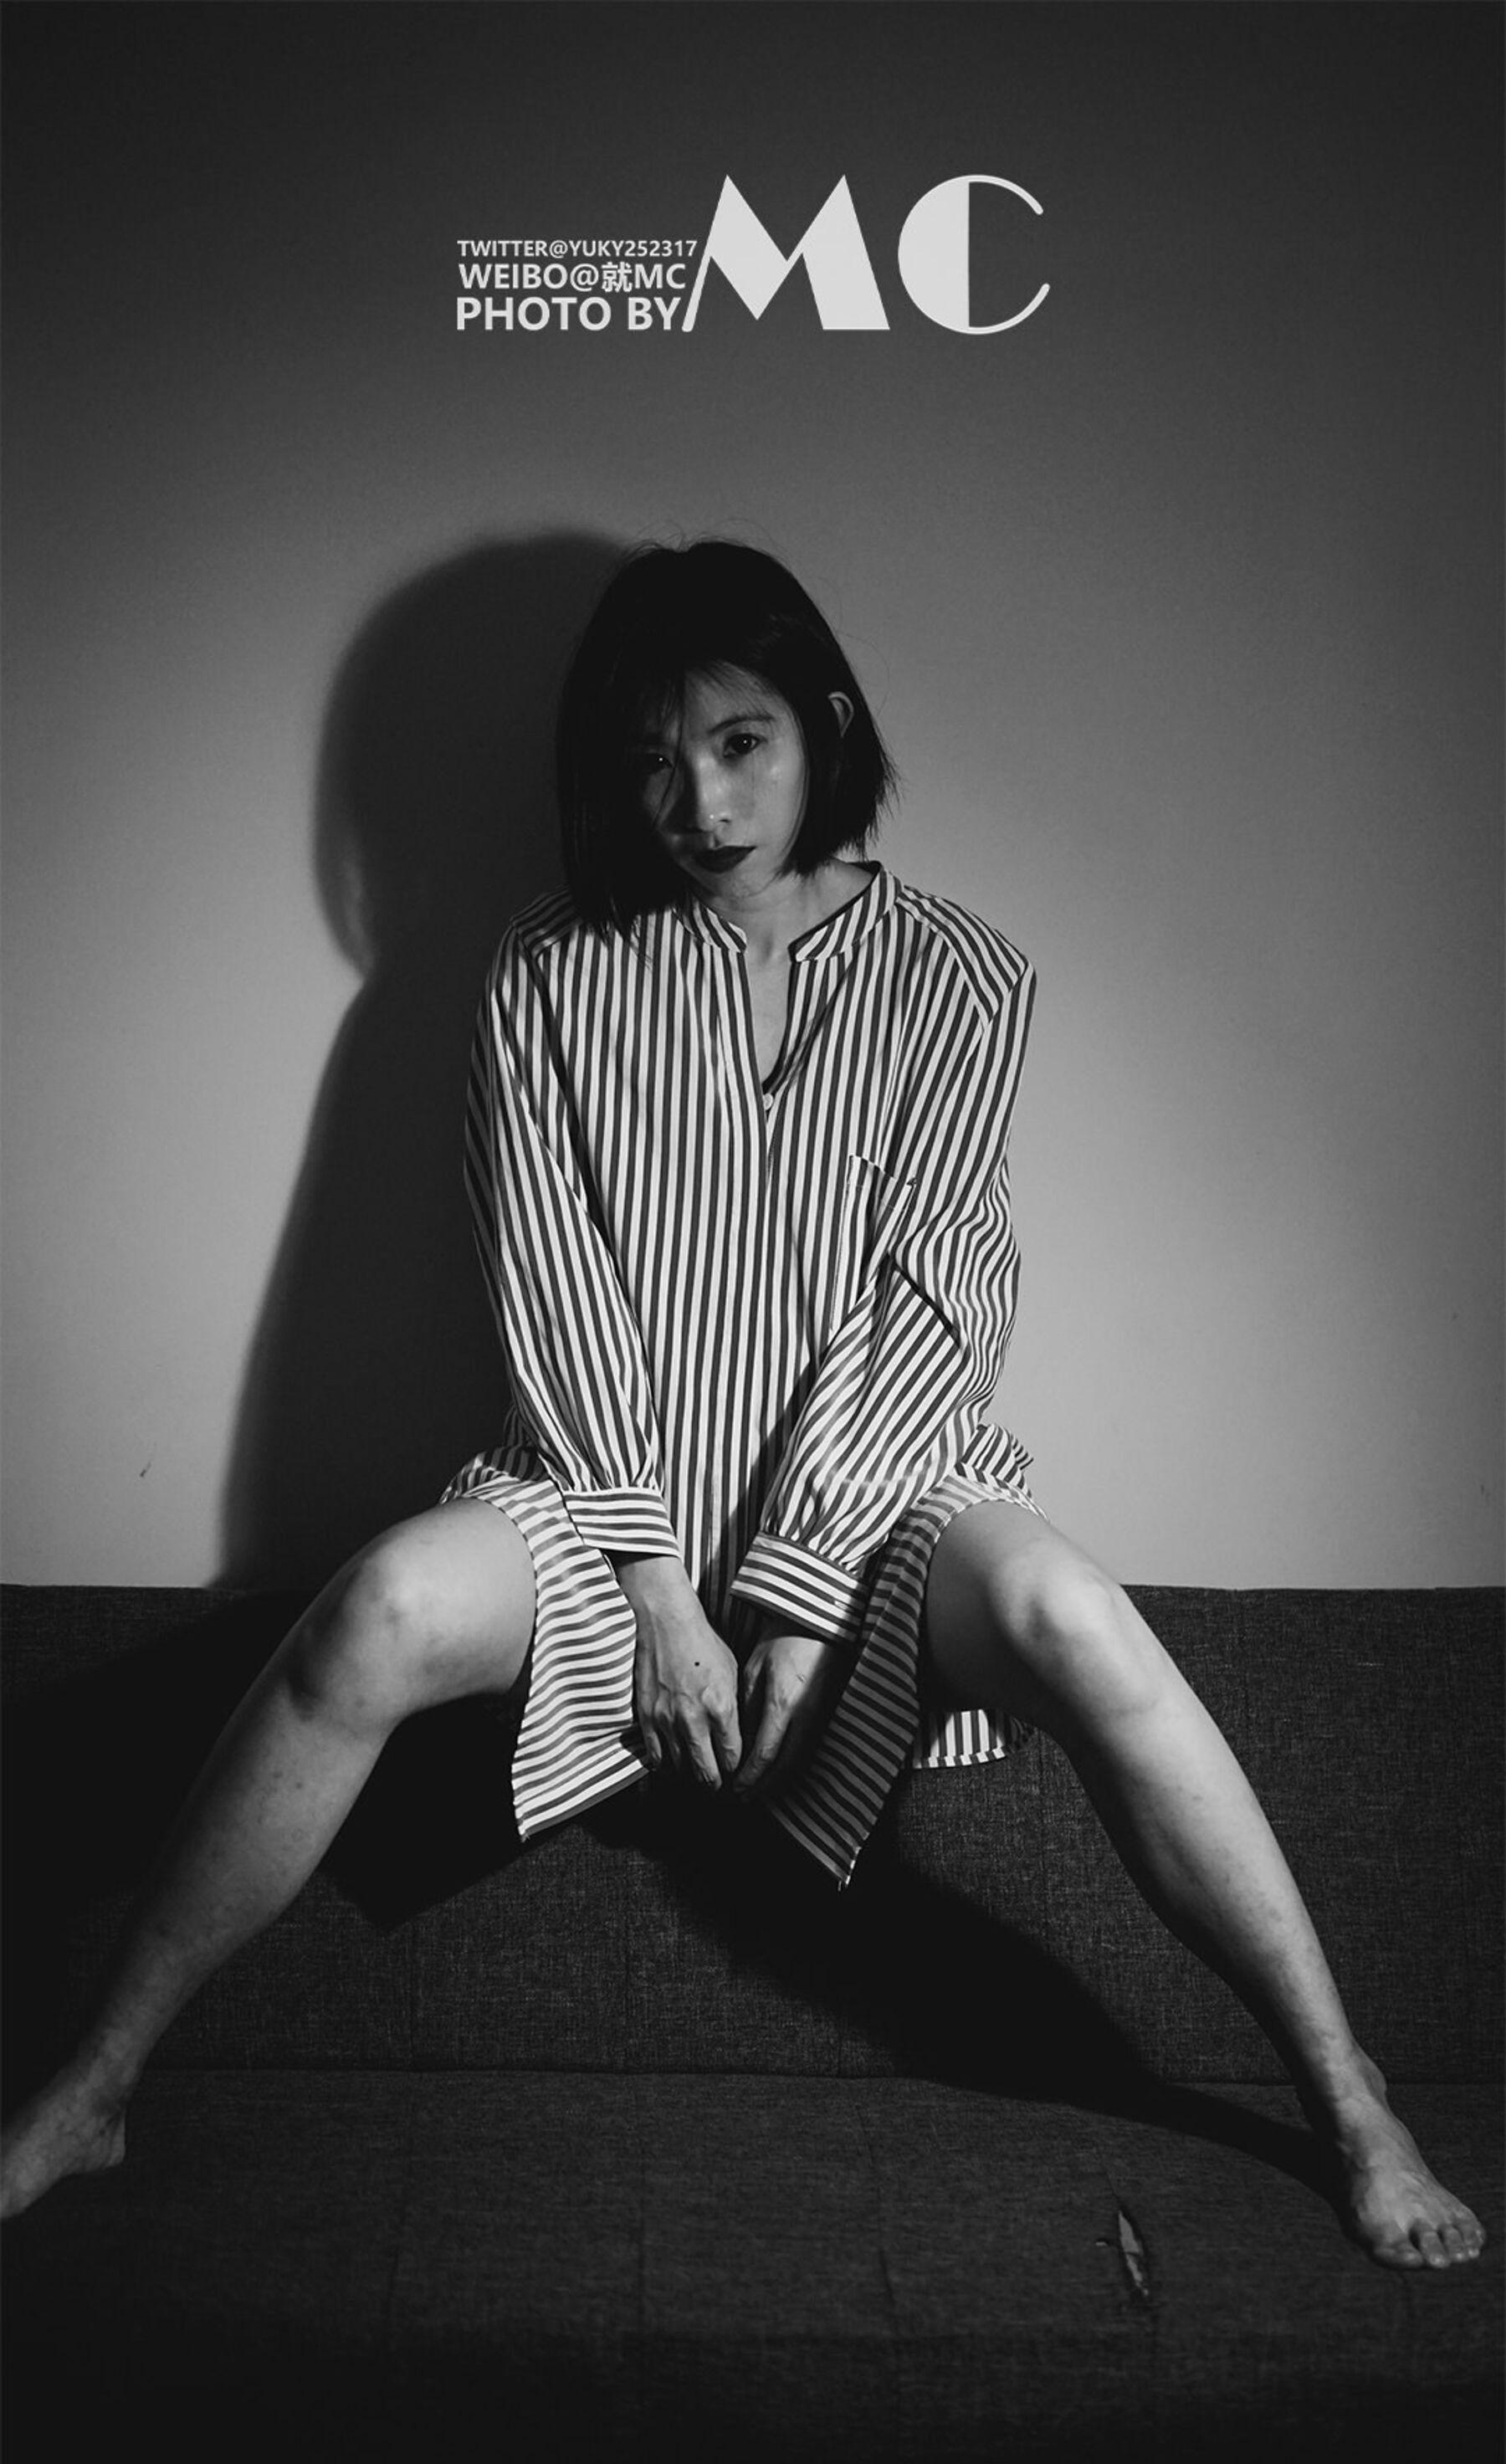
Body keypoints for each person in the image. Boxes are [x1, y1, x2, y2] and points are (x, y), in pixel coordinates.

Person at [0, 542, 1483, 2269]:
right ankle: (94, 2084)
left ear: (823, 723)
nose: (696, 802)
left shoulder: (962, 976)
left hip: (879, 1500)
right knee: (378, 1610)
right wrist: (655, 1595)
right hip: (601, 1497)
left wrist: (798, 1593)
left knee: (1078, 1617)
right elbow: (550, 1287)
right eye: (650, 758)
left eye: (737, 741)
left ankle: (1349, 2094)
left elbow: (941, 1295)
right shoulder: (544, 971)